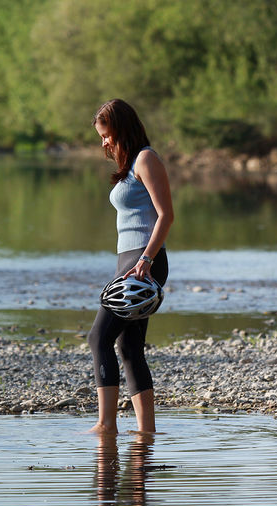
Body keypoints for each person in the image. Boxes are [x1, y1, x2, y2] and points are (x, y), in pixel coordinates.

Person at [88, 98, 174, 434]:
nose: (104, 142)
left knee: (99, 337)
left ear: (122, 128)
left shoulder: (146, 159)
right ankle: (146, 431)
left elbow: (166, 215)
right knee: (128, 345)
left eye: (107, 134)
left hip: (145, 261)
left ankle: (106, 424)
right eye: (101, 136)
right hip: (129, 263)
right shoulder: (128, 167)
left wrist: (145, 261)